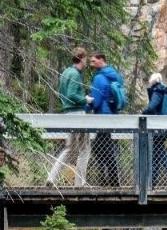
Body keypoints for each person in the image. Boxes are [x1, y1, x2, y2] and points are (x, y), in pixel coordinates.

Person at [46, 46, 92, 186]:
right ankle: (80, 183)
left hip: (68, 113)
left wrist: (67, 104)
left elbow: (62, 93)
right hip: (78, 114)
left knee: (69, 148)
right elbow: (72, 95)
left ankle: (51, 177)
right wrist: (86, 100)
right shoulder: (75, 74)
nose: (86, 63)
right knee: (85, 148)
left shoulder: (65, 72)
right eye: (85, 59)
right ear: (82, 59)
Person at [88, 52, 126, 185]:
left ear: (101, 60)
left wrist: (85, 106)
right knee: (104, 146)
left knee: (100, 148)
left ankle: (112, 181)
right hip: (112, 114)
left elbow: (96, 101)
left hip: (102, 116)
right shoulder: (115, 76)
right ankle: (111, 180)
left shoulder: (99, 78)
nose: (91, 64)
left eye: (93, 61)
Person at [144, 72, 167, 185]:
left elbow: (152, 107)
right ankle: (154, 182)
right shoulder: (164, 91)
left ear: (153, 80)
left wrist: (142, 113)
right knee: (157, 154)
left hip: (157, 128)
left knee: (159, 154)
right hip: (162, 127)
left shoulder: (157, 91)